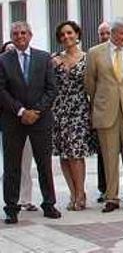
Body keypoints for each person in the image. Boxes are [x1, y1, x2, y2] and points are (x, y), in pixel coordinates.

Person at [85, 17, 123, 213]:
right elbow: (90, 82)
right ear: (112, 33)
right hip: (107, 112)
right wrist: (101, 102)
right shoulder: (95, 53)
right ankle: (111, 197)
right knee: (109, 157)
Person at [0, 22, 61, 224]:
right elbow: (1, 91)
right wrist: (21, 111)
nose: (19, 36)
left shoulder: (44, 58)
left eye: (23, 33)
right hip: (13, 120)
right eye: (15, 34)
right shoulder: (3, 60)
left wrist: (36, 111)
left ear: (30, 35)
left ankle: (49, 204)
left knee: (44, 164)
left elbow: (51, 89)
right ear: (11, 36)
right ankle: (11, 208)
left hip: (40, 120)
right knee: (12, 167)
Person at [51, 21, 97, 211]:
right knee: (64, 153)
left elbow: (94, 86)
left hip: (79, 109)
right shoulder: (54, 59)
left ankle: (80, 193)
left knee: (76, 153)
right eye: (62, 35)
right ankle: (72, 192)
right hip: (59, 110)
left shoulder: (88, 58)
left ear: (77, 34)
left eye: (70, 33)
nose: (66, 37)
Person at [95, 22, 111, 202]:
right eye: (102, 33)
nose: (105, 36)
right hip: (103, 111)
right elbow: (91, 83)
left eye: (108, 33)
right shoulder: (94, 54)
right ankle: (104, 188)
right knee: (104, 153)